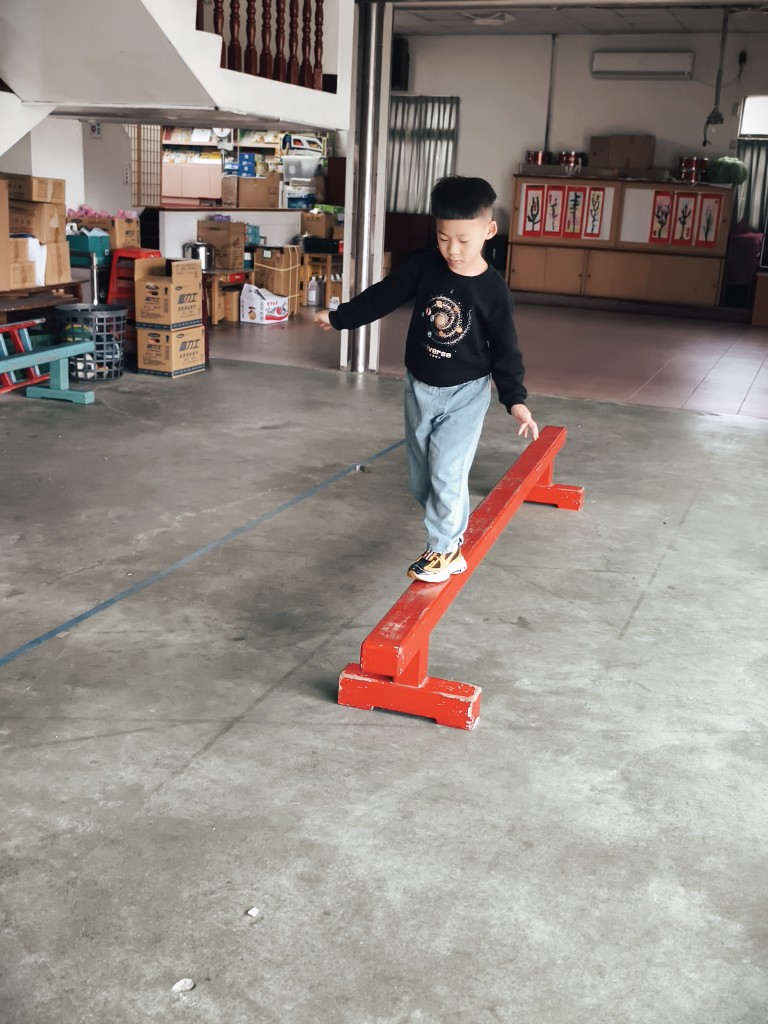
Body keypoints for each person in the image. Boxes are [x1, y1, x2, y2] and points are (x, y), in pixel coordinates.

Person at [314, 175, 538, 583]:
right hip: (419, 388)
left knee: (447, 472)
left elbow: (506, 350)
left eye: (463, 240)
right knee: (422, 482)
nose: (453, 250)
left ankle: (444, 549)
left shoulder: (493, 291)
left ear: (489, 231)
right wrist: (339, 318)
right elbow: (382, 296)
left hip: (466, 393)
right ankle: (449, 534)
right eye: (443, 238)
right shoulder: (425, 267)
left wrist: (515, 400)